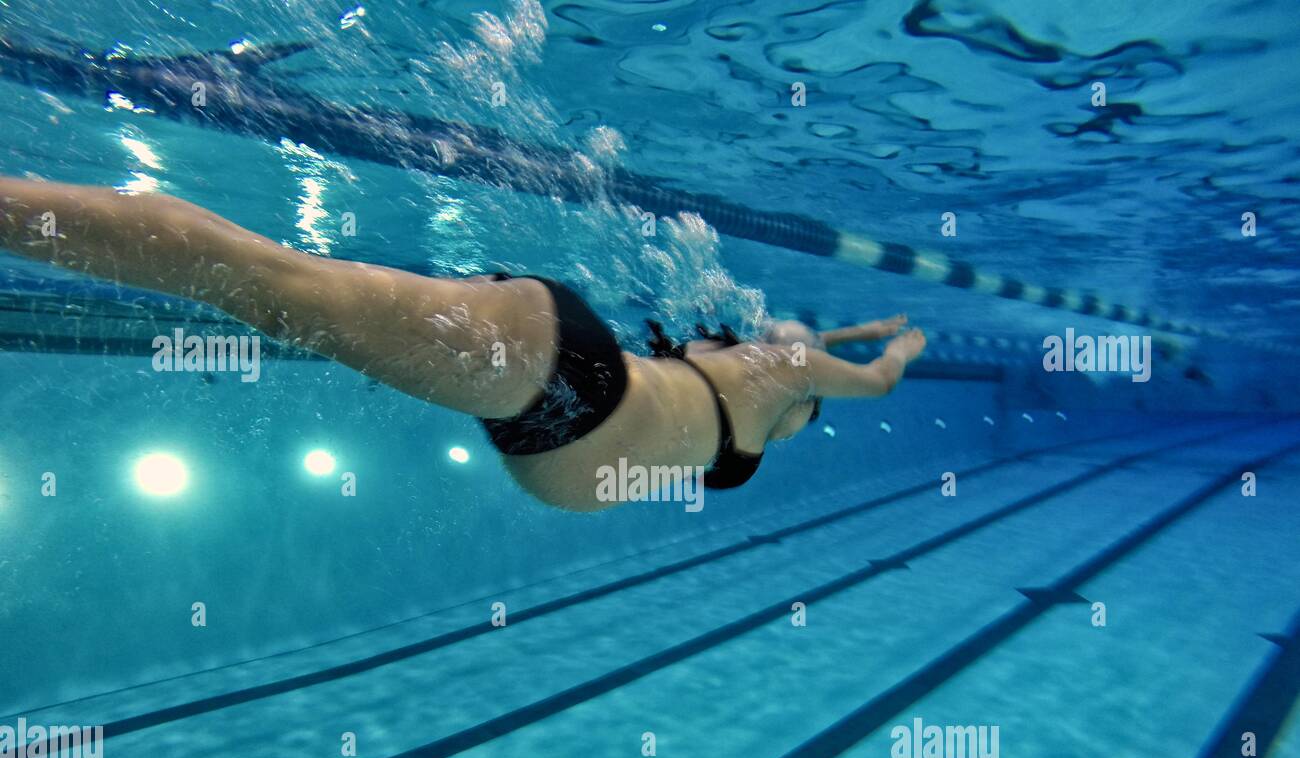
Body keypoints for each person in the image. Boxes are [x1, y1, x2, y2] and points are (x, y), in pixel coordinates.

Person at [0, 177, 926, 510]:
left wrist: (850, 337)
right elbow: (870, 384)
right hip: (569, 381)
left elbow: (798, 349)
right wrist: (900, 349)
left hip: (551, 388)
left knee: (281, 292)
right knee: (273, 289)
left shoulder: (756, 378)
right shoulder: (785, 381)